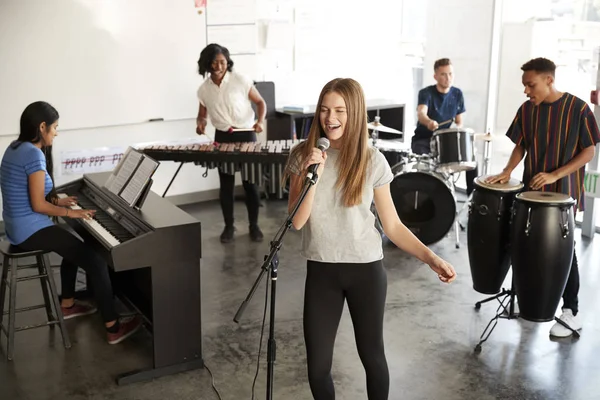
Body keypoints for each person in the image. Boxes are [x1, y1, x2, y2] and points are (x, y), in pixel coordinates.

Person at [284, 78, 457, 400]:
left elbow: (392, 225)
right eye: (324, 110)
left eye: (339, 110)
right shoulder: (303, 156)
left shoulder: (372, 160)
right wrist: (313, 176)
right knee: (318, 367)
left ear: (356, 113)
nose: (330, 118)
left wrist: (432, 259)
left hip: (366, 269)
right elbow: (296, 222)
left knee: (372, 356)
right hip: (322, 270)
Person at [0, 101, 141, 345]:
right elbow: (38, 206)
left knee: (75, 247)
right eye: (54, 127)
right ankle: (113, 327)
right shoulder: (33, 153)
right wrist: (71, 214)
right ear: (42, 127)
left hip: (15, 226)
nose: (56, 132)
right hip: (29, 229)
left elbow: (29, 194)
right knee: (96, 261)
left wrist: (59, 203)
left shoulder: (14, 148)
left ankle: (67, 304)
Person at [487, 57, 600, 337]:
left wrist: (555, 174)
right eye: (524, 85)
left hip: (564, 195)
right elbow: (521, 145)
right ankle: (528, 301)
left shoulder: (578, 109)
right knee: (526, 246)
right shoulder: (527, 110)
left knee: (564, 251)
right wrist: (507, 170)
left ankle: (571, 311)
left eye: (530, 84)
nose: (526, 91)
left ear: (549, 80)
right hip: (530, 193)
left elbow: (589, 151)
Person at [196, 43, 267, 243]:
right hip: (223, 137)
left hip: (246, 135)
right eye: (215, 62)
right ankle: (229, 227)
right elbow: (202, 116)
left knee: (250, 184)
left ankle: (254, 226)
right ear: (207, 64)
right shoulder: (203, 90)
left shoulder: (241, 80)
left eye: (223, 62)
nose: (219, 66)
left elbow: (261, 102)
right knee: (226, 186)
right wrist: (200, 124)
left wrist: (259, 122)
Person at [412, 58, 477, 195]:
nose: (448, 78)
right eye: (443, 74)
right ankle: (424, 196)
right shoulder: (426, 93)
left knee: (471, 160)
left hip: (446, 142)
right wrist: (429, 122)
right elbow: (421, 113)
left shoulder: (457, 93)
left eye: (451, 74)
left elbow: (459, 121)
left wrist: (456, 127)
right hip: (424, 140)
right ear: (435, 76)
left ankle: (473, 199)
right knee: (425, 168)